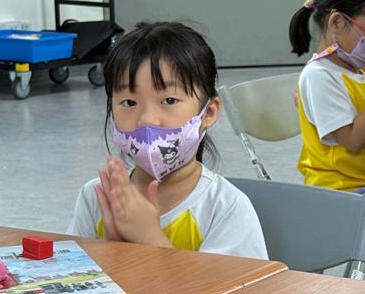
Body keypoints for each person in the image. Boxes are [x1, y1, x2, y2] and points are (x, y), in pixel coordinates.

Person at [69, 22, 267, 259]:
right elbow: (73, 275)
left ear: (208, 113)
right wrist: (110, 251)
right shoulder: (96, 197)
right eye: (129, 103)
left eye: (169, 100)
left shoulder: (225, 207)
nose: (147, 120)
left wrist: (150, 238)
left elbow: (237, 285)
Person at [290, 0, 365, 238]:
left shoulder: (358, 72)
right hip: (342, 195)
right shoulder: (319, 76)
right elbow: (353, 139)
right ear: (336, 22)